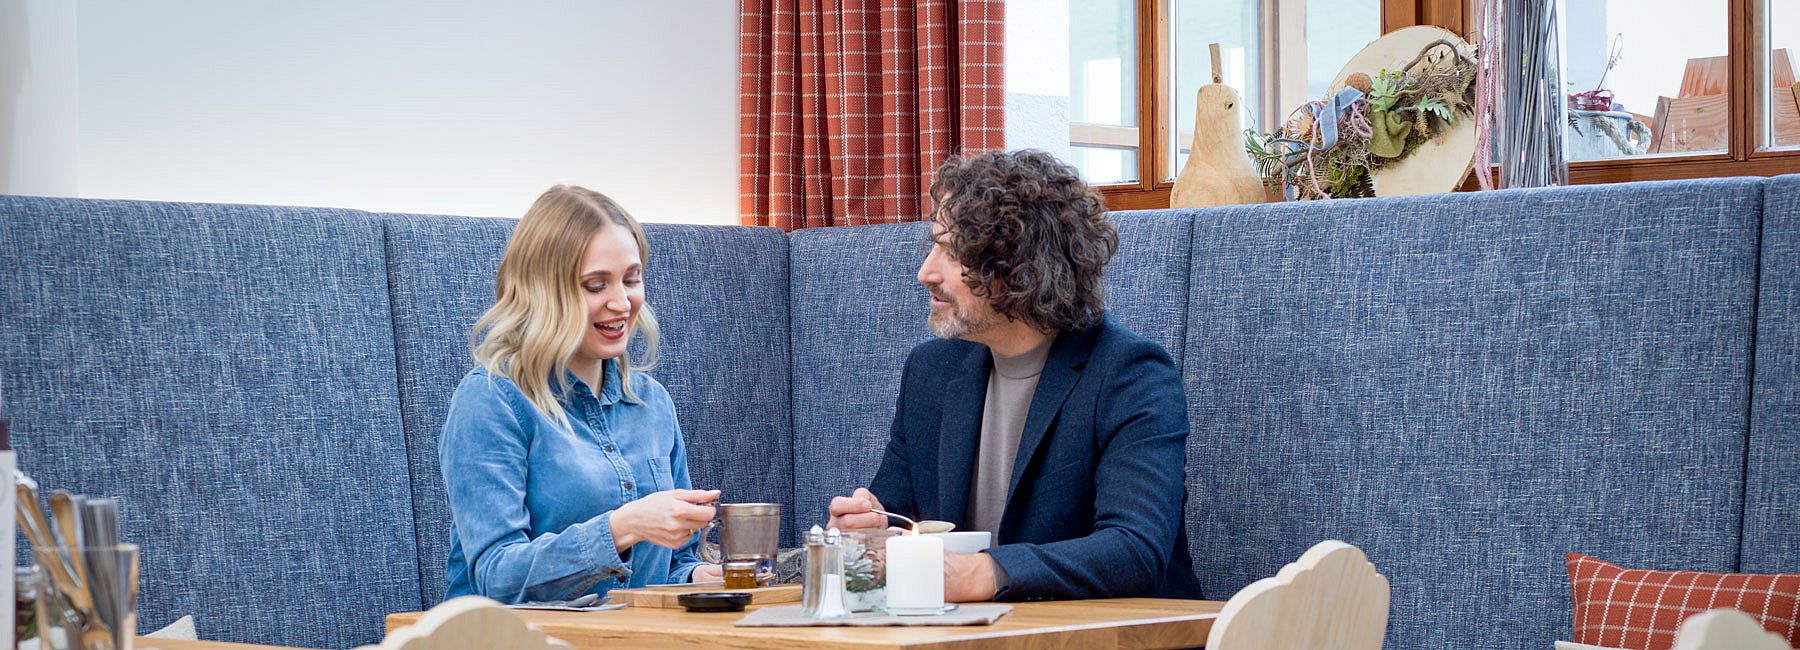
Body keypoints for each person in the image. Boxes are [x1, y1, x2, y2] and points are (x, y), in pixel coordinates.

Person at [828, 150, 1204, 602]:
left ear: (1022, 266)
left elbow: (1134, 551)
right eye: (934, 246)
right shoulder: (930, 373)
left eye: (952, 252)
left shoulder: (1130, 376)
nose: (925, 271)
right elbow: (894, 520)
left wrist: (975, 574)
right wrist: (864, 531)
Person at [441, 185, 721, 604]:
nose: (622, 302)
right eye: (595, 286)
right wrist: (623, 526)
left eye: (631, 279)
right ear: (542, 290)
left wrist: (713, 576)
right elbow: (497, 577)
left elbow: (675, 563)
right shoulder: (492, 401)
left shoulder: (652, 403)